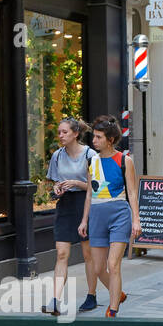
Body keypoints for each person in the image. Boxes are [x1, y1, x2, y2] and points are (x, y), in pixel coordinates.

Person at [78, 114, 141, 317]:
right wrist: (84, 219)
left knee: (113, 264)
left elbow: (132, 192)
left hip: (119, 215)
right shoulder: (91, 161)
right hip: (96, 216)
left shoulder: (125, 160)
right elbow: (89, 192)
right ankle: (118, 293)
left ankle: (113, 309)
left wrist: (136, 220)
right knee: (97, 268)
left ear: (110, 140)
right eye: (94, 136)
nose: (94, 141)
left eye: (98, 137)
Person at [41, 117, 99, 315]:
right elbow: (55, 182)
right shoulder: (57, 156)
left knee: (88, 254)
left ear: (75, 134)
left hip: (86, 203)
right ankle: (55, 300)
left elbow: (97, 187)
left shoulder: (90, 154)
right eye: (59, 132)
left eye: (64, 132)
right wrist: (58, 187)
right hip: (65, 205)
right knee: (62, 253)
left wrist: (76, 183)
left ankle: (91, 295)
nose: (60, 136)